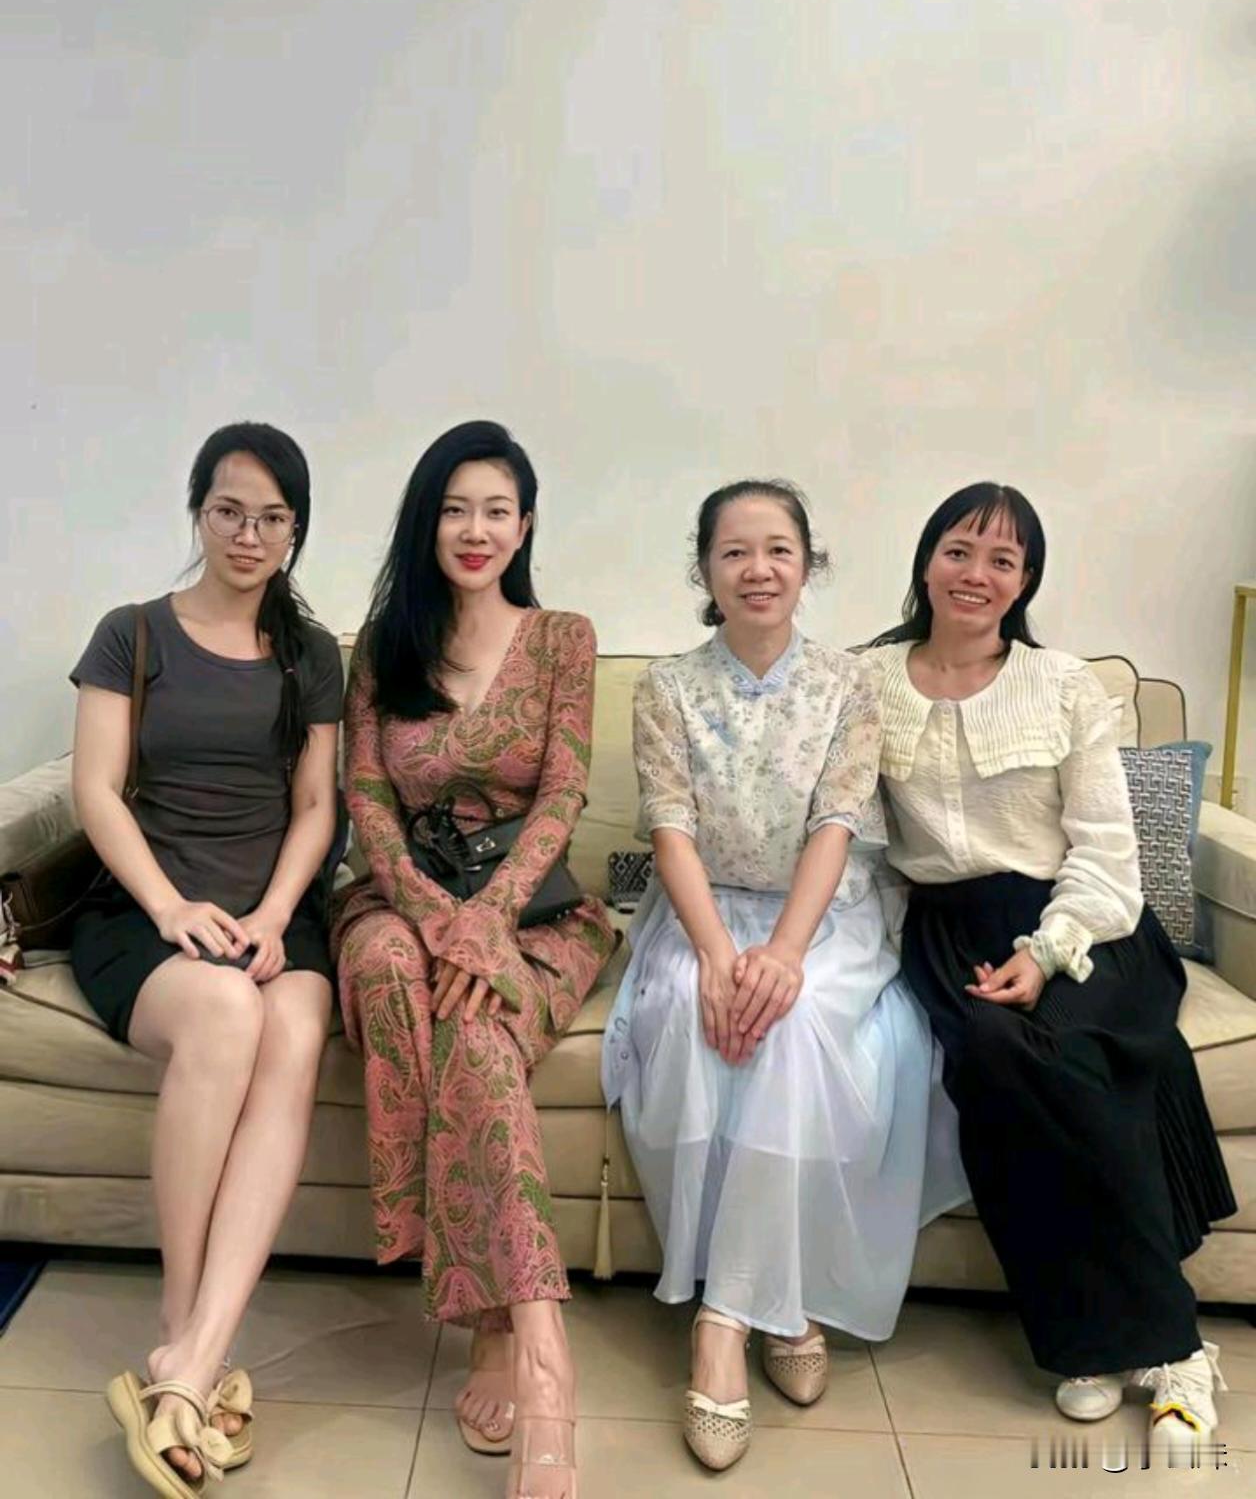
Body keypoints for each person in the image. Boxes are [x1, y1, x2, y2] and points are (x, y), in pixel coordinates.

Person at [865, 481, 1236, 1461]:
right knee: (994, 1053)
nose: (976, 573)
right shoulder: (864, 681)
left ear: (1025, 580)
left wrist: (1044, 948)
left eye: (1003, 559)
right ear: (925, 560)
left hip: (1087, 923)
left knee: (1063, 1051)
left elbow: (1107, 849)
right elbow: (853, 837)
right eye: (958, 549)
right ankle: (1118, 1338)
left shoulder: (1064, 683)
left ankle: (1157, 1343)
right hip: (950, 932)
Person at [601, 480, 967, 1472]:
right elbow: (670, 826)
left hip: (824, 913)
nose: (756, 569)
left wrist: (785, 955)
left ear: (808, 565)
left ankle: (726, 1316)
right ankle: (777, 1304)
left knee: (795, 1025)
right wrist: (720, 955)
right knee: (695, 1017)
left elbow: (836, 825)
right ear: (704, 570)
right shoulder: (667, 686)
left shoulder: (850, 683)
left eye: (777, 550)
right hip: (702, 910)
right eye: (733, 552)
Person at [333, 420, 615, 1499]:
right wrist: (431, 913)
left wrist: (488, 917)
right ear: (427, 521)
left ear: (525, 525)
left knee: (478, 1035)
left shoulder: (563, 638)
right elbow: (366, 796)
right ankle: (495, 1321)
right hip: (398, 902)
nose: (475, 529)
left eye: (497, 509)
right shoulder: (383, 646)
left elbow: (564, 790)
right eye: (455, 508)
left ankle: (530, 1350)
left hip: (530, 911)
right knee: (391, 970)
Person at [70, 422, 343, 1497]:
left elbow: (315, 805)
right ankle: (188, 1333)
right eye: (229, 510)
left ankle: (183, 1367)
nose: (248, 534)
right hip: (146, 910)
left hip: (275, 913)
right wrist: (171, 904)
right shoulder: (131, 632)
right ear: (199, 510)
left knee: (293, 1027)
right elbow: (96, 790)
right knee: (227, 1012)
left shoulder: (310, 653)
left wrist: (274, 915)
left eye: (273, 518)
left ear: (295, 532)